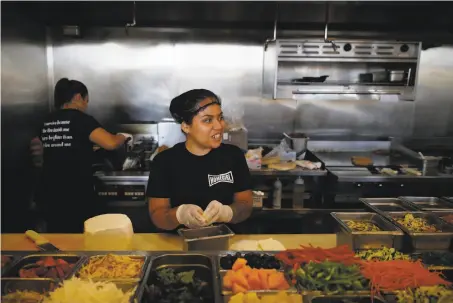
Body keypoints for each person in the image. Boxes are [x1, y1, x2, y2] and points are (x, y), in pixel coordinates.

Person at [33, 78, 132, 233]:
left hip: (48, 191)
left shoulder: (46, 120)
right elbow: (110, 143)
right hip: (74, 191)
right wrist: (122, 136)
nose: (86, 106)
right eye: (86, 101)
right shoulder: (81, 119)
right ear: (78, 97)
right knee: (79, 238)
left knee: (57, 236)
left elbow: (52, 148)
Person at [147, 89, 253, 230]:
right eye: (208, 120)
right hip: (179, 245)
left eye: (220, 118)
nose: (219, 126)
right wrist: (179, 215)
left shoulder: (233, 156)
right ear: (186, 126)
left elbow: (245, 204)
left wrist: (227, 213)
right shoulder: (164, 161)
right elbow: (157, 215)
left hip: (226, 244)